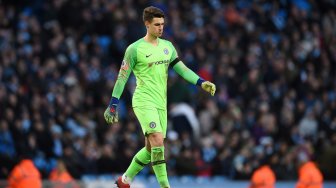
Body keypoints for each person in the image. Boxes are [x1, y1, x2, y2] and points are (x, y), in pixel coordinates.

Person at [104, 6, 216, 188]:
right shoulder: (134, 49)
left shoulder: (168, 47)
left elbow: (182, 69)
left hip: (160, 104)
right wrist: (113, 104)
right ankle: (165, 186)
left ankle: (125, 180)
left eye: (162, 24)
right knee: (157, 140)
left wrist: (201, 82)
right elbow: (122, 77)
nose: (161, 28)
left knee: (150, 150)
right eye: (157, 24)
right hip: (143, 100)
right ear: (147, 24)